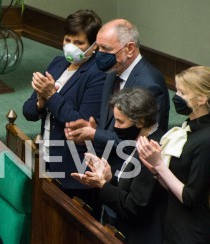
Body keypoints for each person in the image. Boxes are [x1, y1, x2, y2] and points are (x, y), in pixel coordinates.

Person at [137, 66, 210, 244]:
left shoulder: (208, 141)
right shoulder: (190, 128)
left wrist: (160, 166)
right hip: (175, 232)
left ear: (201, 98)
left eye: (183, 93)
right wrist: (155, 169)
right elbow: (176, 184)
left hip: (193, 241)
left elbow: (190, 197)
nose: (177, 97)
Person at [71, 88, 166, 244]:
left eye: (120, 121)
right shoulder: (138, 141)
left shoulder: (152, 149)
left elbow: (134, 205)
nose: (115, 126)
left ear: (140, 121)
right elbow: (129, 187)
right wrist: (108, 177)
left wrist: (103, 185)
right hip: (131, 240)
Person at [22, 9, 106, 206]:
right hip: (47, 159)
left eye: (79, 43)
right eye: (68, 40)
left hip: (75, 168)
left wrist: (51, 95)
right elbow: (28, 110)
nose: (71, 47)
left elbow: (80, 123)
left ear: (93, 46)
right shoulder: (58, 63)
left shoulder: (98, 74)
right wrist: (40, 102)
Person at [65, 18, 170, 174]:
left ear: (129, 49)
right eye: (98, 48)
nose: (99, 55)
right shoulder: (113, 71)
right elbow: (111, 122)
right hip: (105, 167)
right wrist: (94, 128)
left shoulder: (150, 85)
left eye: (106, 49)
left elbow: (144, 144)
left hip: (129, 174)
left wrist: (96, 134)